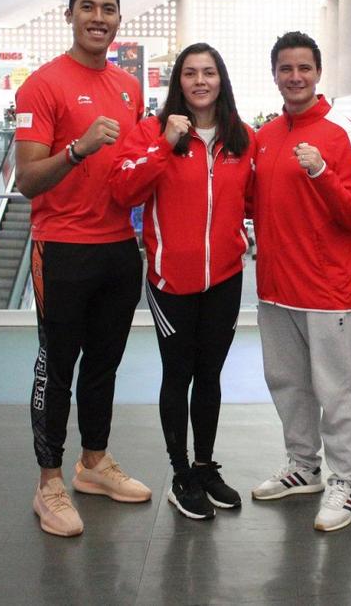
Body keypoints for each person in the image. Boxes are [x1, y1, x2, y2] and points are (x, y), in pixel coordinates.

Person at [14, 0, 151, 538]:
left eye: (109, 9)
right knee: (57, 365)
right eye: (88, 7)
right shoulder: (41, 86)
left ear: (120, 19)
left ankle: (93, 462)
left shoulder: (127, 87)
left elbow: (135, 167)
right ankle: (49, 483)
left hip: (119, 248)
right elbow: (27, 180)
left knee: (104, 365)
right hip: (63, 248)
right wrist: (76, 149)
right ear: (69, 15)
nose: (99, 17)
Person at [110, 43, 255, 521]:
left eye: (208, 72)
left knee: (210, 376)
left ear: (221, 79)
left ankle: (203, 465)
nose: (200, 81)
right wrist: (164, 144)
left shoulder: (241, 138)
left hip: (226, 279)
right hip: (171, 281)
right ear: (179, 82)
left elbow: (253, 200)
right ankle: (179, 474)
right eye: (190, 73)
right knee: (179, 374)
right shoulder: (153, 133)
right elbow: (125, 190)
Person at [250, 31, 351, 532]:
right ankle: (304, 467)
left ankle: (348, 483)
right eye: (285, 68)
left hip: (325, 291)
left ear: (318, 72)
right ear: (275, 74)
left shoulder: (341, 132)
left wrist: (322, 172)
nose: (295, 77)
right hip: (275, 289)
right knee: (288, 385)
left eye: (303, 68)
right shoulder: (265, 136)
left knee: (335, 391)